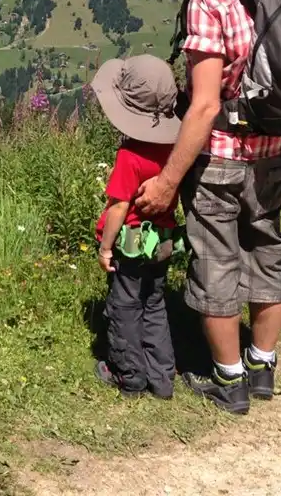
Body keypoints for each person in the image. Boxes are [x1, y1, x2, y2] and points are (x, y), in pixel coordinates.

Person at [135, 0, 281, 415]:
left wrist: (167, 180)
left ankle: (229, 382)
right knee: (266, 246)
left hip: (223, 153)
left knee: (217, 261)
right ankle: (263, 366)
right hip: (273, 149)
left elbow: (203, 106)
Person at [90, 54, 182, 400]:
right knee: (154, 304)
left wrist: (105, 248)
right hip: (161, 243)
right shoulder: (174, 151)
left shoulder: (129, 157)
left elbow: (118, 207)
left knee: (124, 308)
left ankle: (127, 374)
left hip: (129, 247)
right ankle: (162, 377)